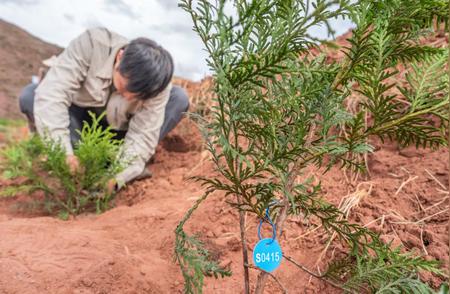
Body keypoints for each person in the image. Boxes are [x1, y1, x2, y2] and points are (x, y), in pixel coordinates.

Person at [18, 27, 189, 192]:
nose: (129, 98)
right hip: (80, 127)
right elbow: (52, 95)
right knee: (30, 95)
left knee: (179, 98)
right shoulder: (92, 44)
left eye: (138, 96)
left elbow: (143, 135)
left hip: (120, 135)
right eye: (125, 88)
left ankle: (123, 163)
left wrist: (117, 177)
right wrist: (64, 154)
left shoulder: (158, 84)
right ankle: (74, 155)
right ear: (120, 58)